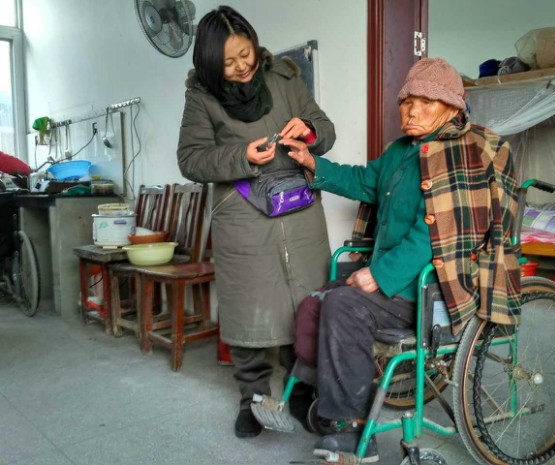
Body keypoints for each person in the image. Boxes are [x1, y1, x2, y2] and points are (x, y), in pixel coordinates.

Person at [283, 57, 521, 462]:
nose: (411, 110)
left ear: (452, 107)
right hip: (393, 283)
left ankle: (357, 430)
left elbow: (438, 232)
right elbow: (363, 181)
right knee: (313, 303)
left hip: (434, 287)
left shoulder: (463, 152)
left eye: (425, 102)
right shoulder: (399, 151)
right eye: (406, 101)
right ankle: (322, 402)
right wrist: (312, 163)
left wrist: (378, 274)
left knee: (342, 305)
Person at [176, 5, 336, 439]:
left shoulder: (285, 77)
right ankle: (251, 399)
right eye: (228, 62)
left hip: (299, 209)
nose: (242, 66)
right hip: (243, 216)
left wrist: (309, 132)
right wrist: (240, 156)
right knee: (249, 309)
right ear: (211, 64)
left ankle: (301, 388)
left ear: (253, 43)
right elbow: (190, 159)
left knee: (303, 303)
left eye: (245, 53)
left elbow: (325, 128)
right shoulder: (202, 97)